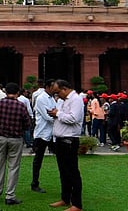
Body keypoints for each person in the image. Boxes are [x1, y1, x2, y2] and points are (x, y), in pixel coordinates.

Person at [0, 82, 31, 205]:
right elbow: (27, 124)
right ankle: (10, 195)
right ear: (18, 93)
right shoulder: (21, 106)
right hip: (16, 139)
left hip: (1, 137)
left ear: (6, 92)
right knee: (13, 167)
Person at [48, 79, 83, 211]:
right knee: (63, 171)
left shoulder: (76, 100)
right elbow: (63, 116)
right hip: (61, 140)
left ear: (64, 89)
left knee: (72, 172)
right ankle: (65, 198)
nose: (57, 95)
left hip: (69, 140)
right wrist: (56, 114)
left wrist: (58, 114)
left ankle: (77, 204)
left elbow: (74, 118)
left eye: (58, 92)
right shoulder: (64, 100)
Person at [31, 79, 58, 194]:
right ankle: (34, 183)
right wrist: (58, 116)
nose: (55, 89)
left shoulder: (51, 98)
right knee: (38, 160)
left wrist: (56, 114)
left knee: (61, 157)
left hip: (51, 133)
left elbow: (55, 112)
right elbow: (48, 116)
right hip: (41, 134)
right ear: (47, 87)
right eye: (53, 86)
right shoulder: (41, 98)